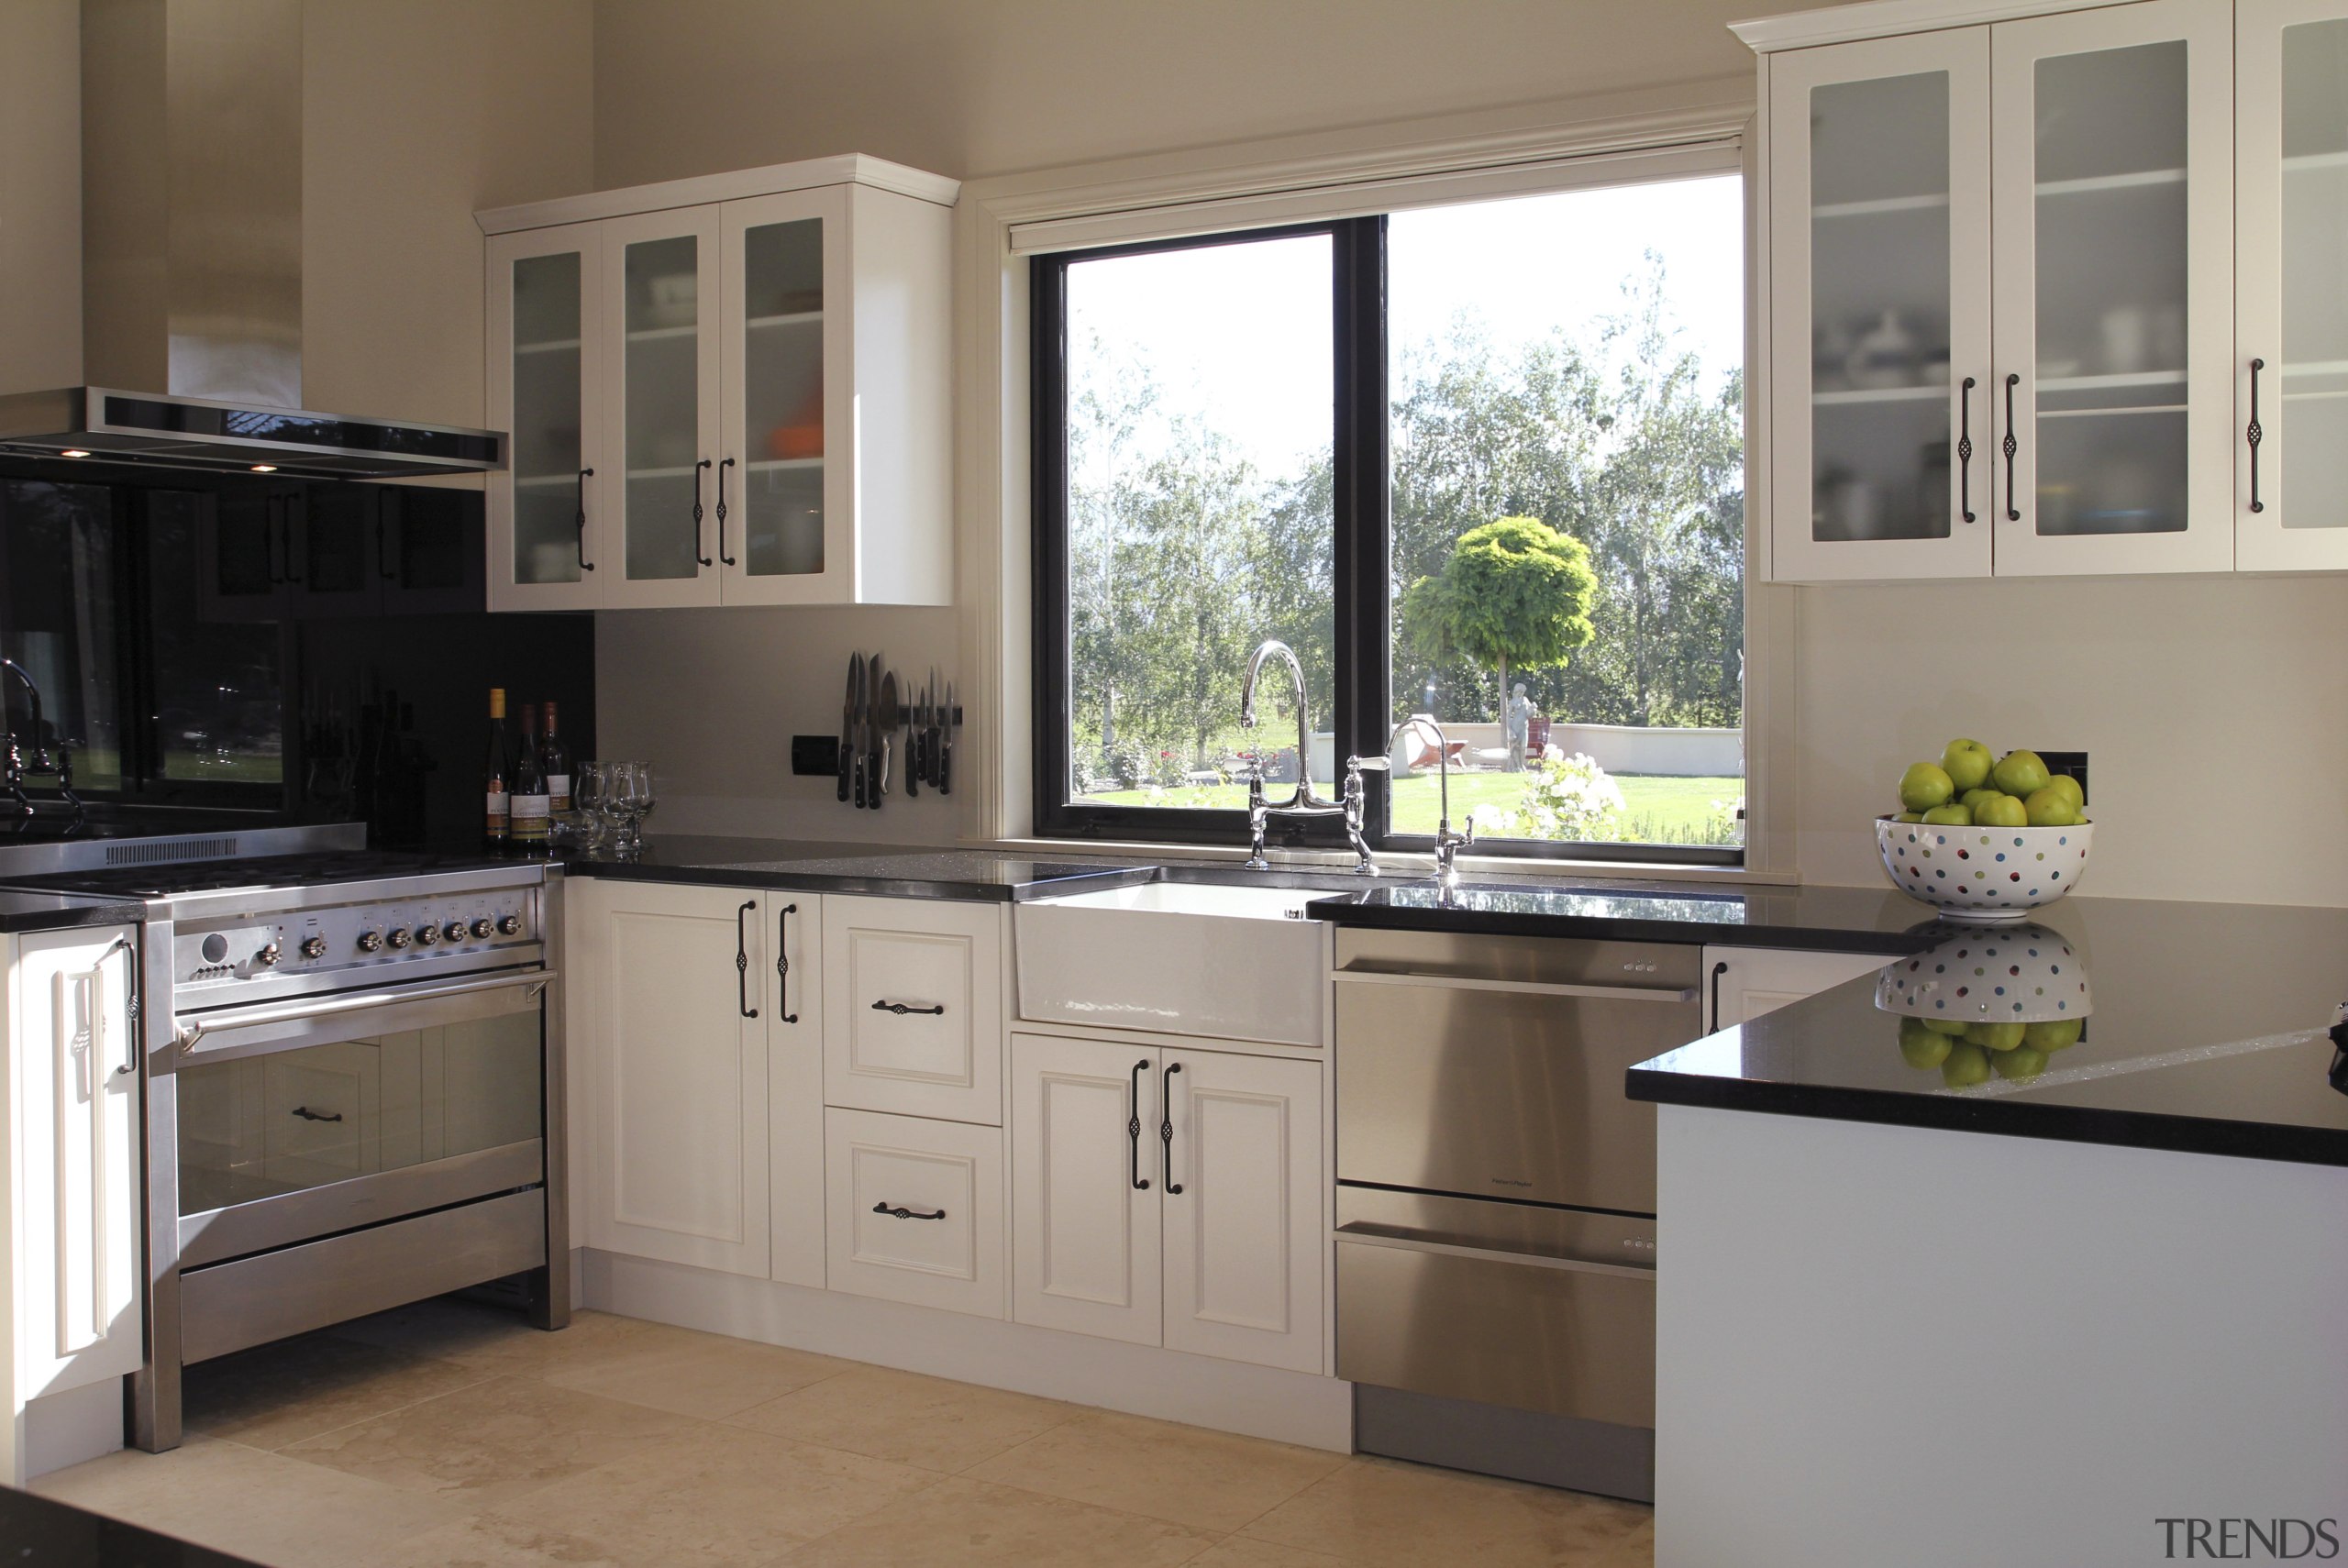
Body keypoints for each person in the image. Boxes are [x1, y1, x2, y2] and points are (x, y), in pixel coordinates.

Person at [1504, 682, 1534, 772]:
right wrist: (1510, 729)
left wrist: (1533, 709)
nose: (1521, 693)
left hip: (1524, 727)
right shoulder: (1512, 702)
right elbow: (1508, 716)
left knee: (1523, 747)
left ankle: (1522, 764)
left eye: (1522, 692)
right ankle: (1517, 766)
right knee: (1515, 747)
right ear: (1516, 691)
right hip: (1515, 726)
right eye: (1519, 691)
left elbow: (1529, 715)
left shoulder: (1525, 700)